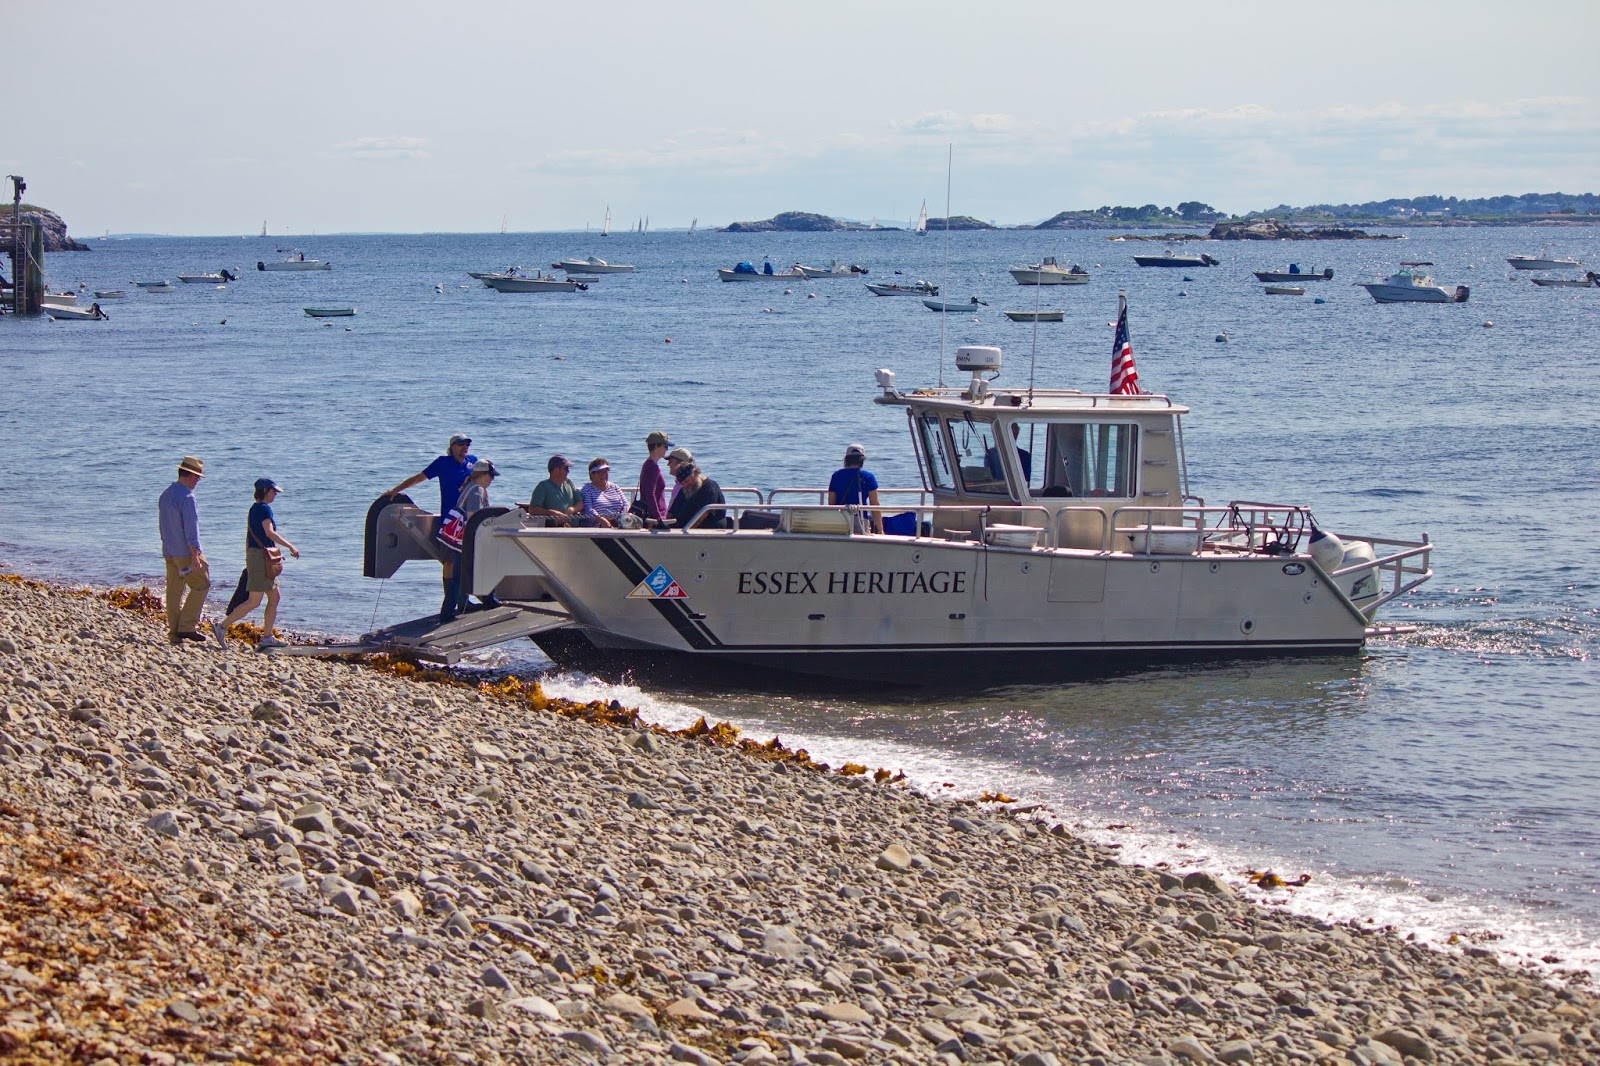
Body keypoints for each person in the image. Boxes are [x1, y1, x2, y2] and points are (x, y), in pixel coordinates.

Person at [384, 433, 477, 622]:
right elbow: (419, 478)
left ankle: (463, 602)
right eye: (460, 445)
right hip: (449, 520)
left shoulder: (472, 462)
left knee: (466, 561)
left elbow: (482, 482)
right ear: (451, 447)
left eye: (466, 445)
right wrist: (395, 491)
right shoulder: (442, 463)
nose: (464, 448)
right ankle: (449, 604)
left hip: (466, 521)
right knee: (449, 562)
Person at [212, 478, 299, 651]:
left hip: (259, 557)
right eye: (274, 491)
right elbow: (269, 532)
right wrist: (290, 546)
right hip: (260, 559)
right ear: (266, 491)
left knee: (274, 597)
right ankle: (222, 627)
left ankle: (267, 637)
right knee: (254, 601)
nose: (275, 495)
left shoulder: (254, 508)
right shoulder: (264, 509)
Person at [157, 455, 212, 644]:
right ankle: (186, 627)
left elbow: (163, 525)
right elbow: (191, 528)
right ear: (189, 475)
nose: (197, 481)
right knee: (202, 584)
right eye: (197, 477)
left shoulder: (166, 494)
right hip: (184, 552)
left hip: (169, 551)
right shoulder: (188, 497)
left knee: (174, 592)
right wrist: (195, 554)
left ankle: (174, 633)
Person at [436, 459, 500, 619]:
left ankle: (484, 600)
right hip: (467, 540)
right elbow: (474, 517)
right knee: (466, 574)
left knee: (461, 575)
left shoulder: (468, 487)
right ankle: (448, 613)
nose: (492, 479)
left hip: (457, 540)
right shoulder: (477, 490)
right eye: (491, 476)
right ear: (483, 475)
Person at [828, 443, 881, 534]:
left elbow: (831, 502)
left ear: (846, 459)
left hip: (840, 519)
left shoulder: (836, 476)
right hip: (860, 519)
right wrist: (880, 529)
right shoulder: (868, 476)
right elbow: (874, 504)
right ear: (862, 459)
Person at [667, 463, 729, 529]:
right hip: (680, 528)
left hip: (704, 530)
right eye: (682, 483)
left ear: (696, 473)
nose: (685, 485)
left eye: (686, 481)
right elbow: (672, 512)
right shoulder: (686, 489)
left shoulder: (710, 488)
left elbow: (700, 518)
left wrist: (684, 532)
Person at [525, 454, 581, 526]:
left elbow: (580, 503)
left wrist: (572, 509)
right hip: (554, 529)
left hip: (574, 528)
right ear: (556, 470)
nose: (568, 472)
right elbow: (532, 509)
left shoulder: (569, 483)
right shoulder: (542, 487)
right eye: (566, 469)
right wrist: (552, 513)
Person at [580, 458, 628, 527]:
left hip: (618, 522)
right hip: (598, 524)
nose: (604, 474)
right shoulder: (587, 489)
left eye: (606, 471)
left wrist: (621, 517)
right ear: (592, 475)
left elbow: (625, 505)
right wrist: (601, 520)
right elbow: (588, 509)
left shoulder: (615, 487)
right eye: (600, 472)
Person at [637, 431, 672, 525]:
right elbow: (650, 494)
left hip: (654, 516)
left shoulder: (648, 464)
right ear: (656, 446)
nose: (667, 449)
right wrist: (658, 518)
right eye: (665, 446)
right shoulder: (652, 467)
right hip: (654, 519)